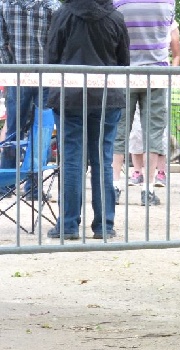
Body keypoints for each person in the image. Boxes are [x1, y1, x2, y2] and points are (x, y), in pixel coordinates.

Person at [45, 0, 129, 240]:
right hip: (106, 95)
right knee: (103, 160)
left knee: (72, 160)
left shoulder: (63, 15)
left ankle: (68, 224)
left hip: (69, 96)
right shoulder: (115, 17)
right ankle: (104, 224)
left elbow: (52, 56)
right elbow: (123, 61)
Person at [111, 0, 175, 207]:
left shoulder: (119, 2)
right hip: (156, 73)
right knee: (153, 133)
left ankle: (115, 185)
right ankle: (148, 189)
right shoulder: (167, 3)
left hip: (125, 72)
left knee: (119, 130)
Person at [0, 0, 60, 199]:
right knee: (41, 131)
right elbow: (56, 44)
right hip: (46, 75)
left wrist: (10, 70)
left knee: (13, 131)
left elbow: (1, 44)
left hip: (17, 74)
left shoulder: (5, 5)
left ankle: (5, 184)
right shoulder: (52, 7)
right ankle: (33, 187)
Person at [123, 19, 180, 204]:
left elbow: (176, 54)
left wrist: (171, 76)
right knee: (135, 129)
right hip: (134, 76)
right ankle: (138, 172)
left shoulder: (169, 20)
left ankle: (158, 173)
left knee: (157, 130)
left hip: (158, 78)